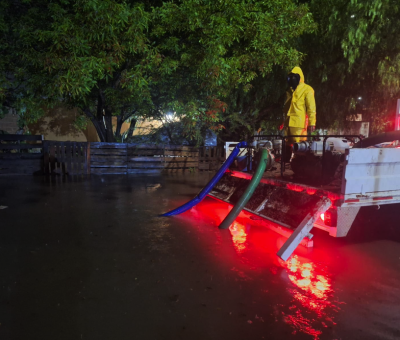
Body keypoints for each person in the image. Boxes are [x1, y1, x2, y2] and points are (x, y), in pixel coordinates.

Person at [282, 66, 316, 146]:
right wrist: (282, 121)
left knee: (299, 147)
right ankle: (287, 158)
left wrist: (312, 123)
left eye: (294, 76)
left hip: (299, 125)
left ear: (299, 77)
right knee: (287, 146)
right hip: (288, 124)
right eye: (291, 77)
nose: (292, 79)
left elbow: (311, 107)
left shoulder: (307, 89)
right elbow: (286, 108)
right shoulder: (289, 91)